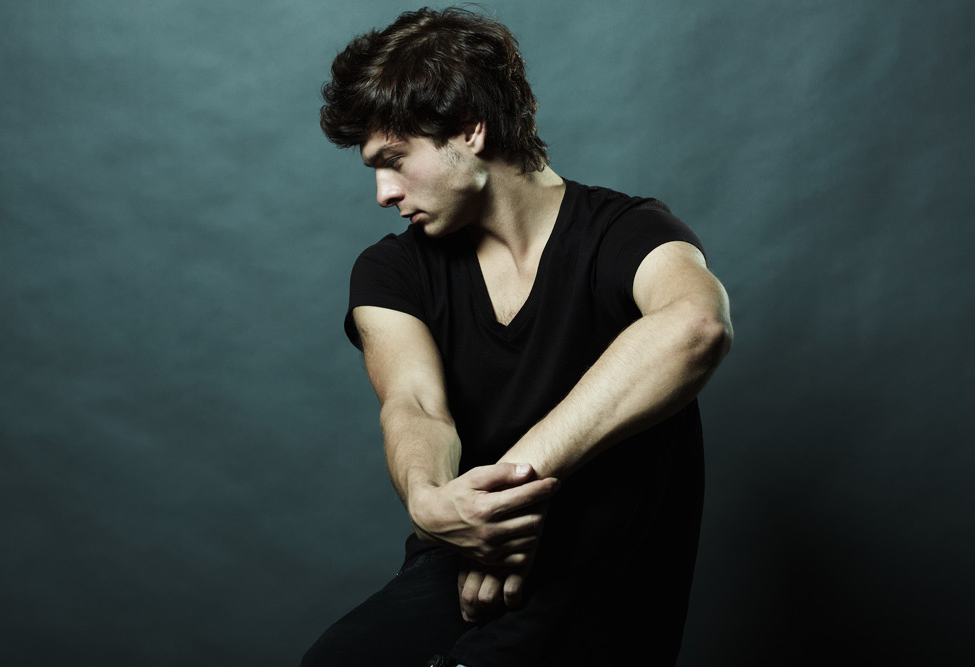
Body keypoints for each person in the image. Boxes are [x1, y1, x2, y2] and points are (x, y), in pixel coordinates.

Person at [301, 7, 732, 666]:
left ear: (469, 128)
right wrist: (429, 502)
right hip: (466, 560)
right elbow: (413, 404)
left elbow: (696, 324)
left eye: (394, 160)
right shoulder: (391, 269)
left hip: (605, 578)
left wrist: (506, 493)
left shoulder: (628, 232)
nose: (383, 192)